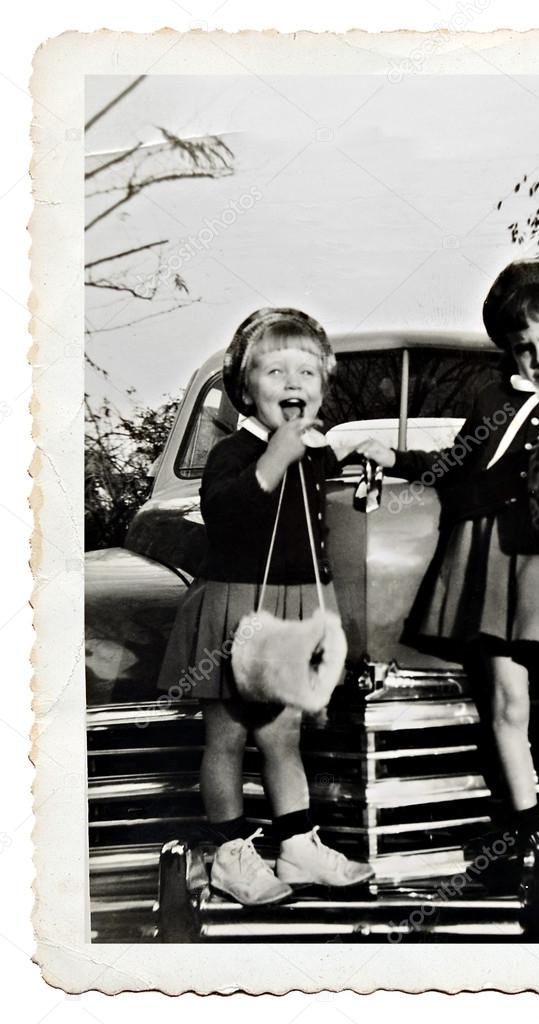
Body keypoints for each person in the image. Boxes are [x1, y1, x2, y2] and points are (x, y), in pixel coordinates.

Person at [356, 259, 539, 897]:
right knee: (505, 703)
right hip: (484, 555)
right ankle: (514, 841)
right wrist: (399, 458)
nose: (536, 355)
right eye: (522, 346)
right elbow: (462, 464)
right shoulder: (492, 396)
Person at [158, 308, 374, 905]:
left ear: (322, 387)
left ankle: (297, 846)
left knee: (284, 734)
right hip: (237, 604)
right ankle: (228, 855)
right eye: (274, 370)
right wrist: (276, 456)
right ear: (244, 388)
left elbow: (328, 474)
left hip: (292, 608)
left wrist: (363, 449)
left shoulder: (311, 449)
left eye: (306, 371)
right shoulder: (235, 450)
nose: (292, 382)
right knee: (226, 736)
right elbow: (226, 515)